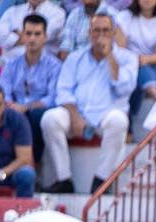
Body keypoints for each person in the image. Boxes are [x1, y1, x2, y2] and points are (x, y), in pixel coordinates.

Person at [40, 12, 137, 195]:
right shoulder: (75, 57)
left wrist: (110, 57)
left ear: (114, 32)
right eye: (96, 31)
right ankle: (64, 178)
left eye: (106, 31)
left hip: (106, 115)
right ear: (89, 33)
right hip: (77, 113)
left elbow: (125, 88)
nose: (101, 35)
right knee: (50, 119)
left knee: (119, 121)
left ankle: (101, 180)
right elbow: (63, 91)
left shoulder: (127, 58)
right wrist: (75, 116)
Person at [0, 14, 59, 168]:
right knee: (4, 113)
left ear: (45, 37)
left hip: (37, 113)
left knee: (35, 115)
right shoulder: (11, 64)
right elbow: (3, 92)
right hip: (14, 110)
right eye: (28, 33)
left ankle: (33, 163)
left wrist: (27, 107)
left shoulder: (54, 65)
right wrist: (12, 106)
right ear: (23, 36)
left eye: (37, 34)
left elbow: (53, 97)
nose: (32, 39)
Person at [114, 0, 156, 127]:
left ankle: (129, 127)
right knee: (134, 73)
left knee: (138, 71)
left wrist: (143, 60)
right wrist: (134, 60)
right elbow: (120, 50)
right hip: (127, 64)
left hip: (154, 66)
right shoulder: (124, 17)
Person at [0, 84, 34, 199]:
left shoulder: (18, 120)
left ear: (4, 104)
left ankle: (24, 213)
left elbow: (24, 159)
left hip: (7, 174)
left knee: (26, 174)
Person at [0, 0, 64, 56]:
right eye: (28, 33)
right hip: (9, 63)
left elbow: (43, 37)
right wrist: (27, 37)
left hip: (42, 65)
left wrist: (15, 34)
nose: (31, 37)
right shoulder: (12, 11)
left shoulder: (58, 13)